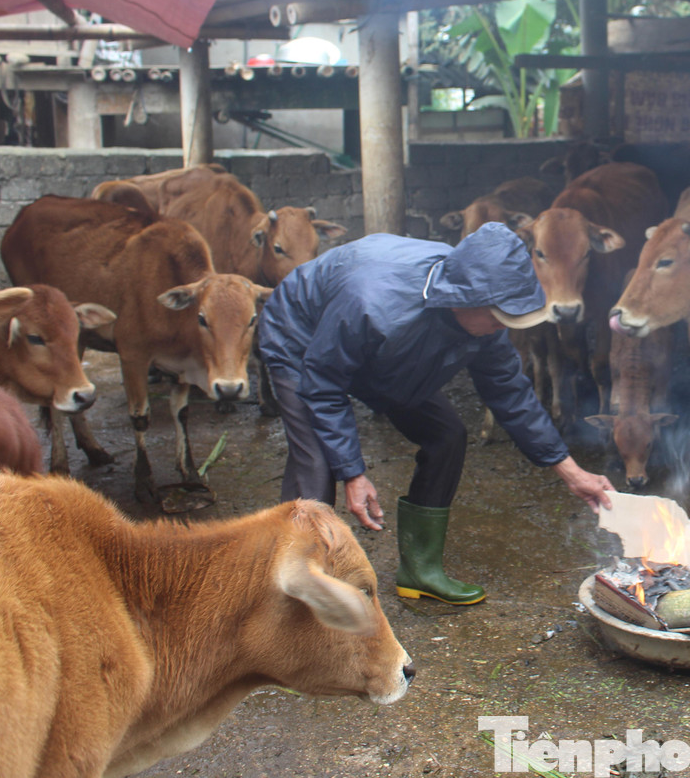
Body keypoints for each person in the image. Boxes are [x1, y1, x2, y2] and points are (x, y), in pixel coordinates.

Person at [257, 221, 615, 605]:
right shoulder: (373, 304)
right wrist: (354, 473)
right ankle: (297, 592)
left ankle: (419, 570)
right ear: (463, 298)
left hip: (381, 352)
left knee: (446, 435)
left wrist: (571, 472)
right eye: (496, 318)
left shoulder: (483, 322)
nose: (501, 328)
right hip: (301, 337)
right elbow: (323, 384)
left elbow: (511, 393)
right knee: (318, 466)